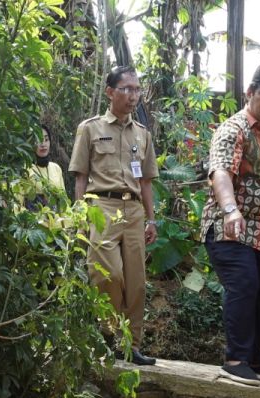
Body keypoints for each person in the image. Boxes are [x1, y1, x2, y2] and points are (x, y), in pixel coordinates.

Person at [200, 61, 260, 386]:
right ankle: (235, 357)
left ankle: (253, 359)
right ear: (250, 92)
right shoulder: (233, 129)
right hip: (230, 227)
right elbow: (220, 171)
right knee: (244, 284)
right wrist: (230, 210)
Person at [69, 66, 160, 366]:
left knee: (136, 281)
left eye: (137, 89)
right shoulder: (90, 128)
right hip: (102, 207)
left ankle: (131, 345)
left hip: (133, 210)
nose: (133, 95)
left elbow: (146, 182)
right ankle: (109, 334)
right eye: (127, 89)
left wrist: (151, 219)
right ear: (110, 92)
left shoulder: (143, 134)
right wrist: (80, 214)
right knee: (108, 274)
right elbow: (80, 176)